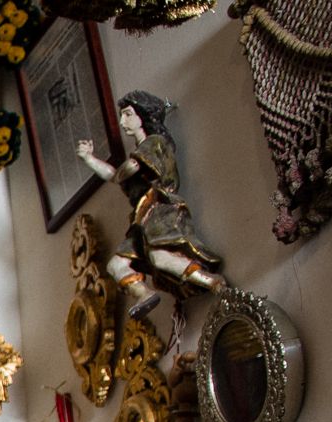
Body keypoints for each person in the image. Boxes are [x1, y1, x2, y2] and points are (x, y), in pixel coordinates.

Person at [75, 91, 225, 318]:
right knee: (116, 266)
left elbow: (127, 170)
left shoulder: (154, 143)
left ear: (143, 115)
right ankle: (143, 294)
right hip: (141, 217)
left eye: (128, 114)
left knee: (159, 257)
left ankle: (211, 281)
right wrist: (89, 158)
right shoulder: (138, 152)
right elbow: (116, 175)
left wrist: (121, 172)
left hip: (159, 208)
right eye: (122, 115)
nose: (122, 122)